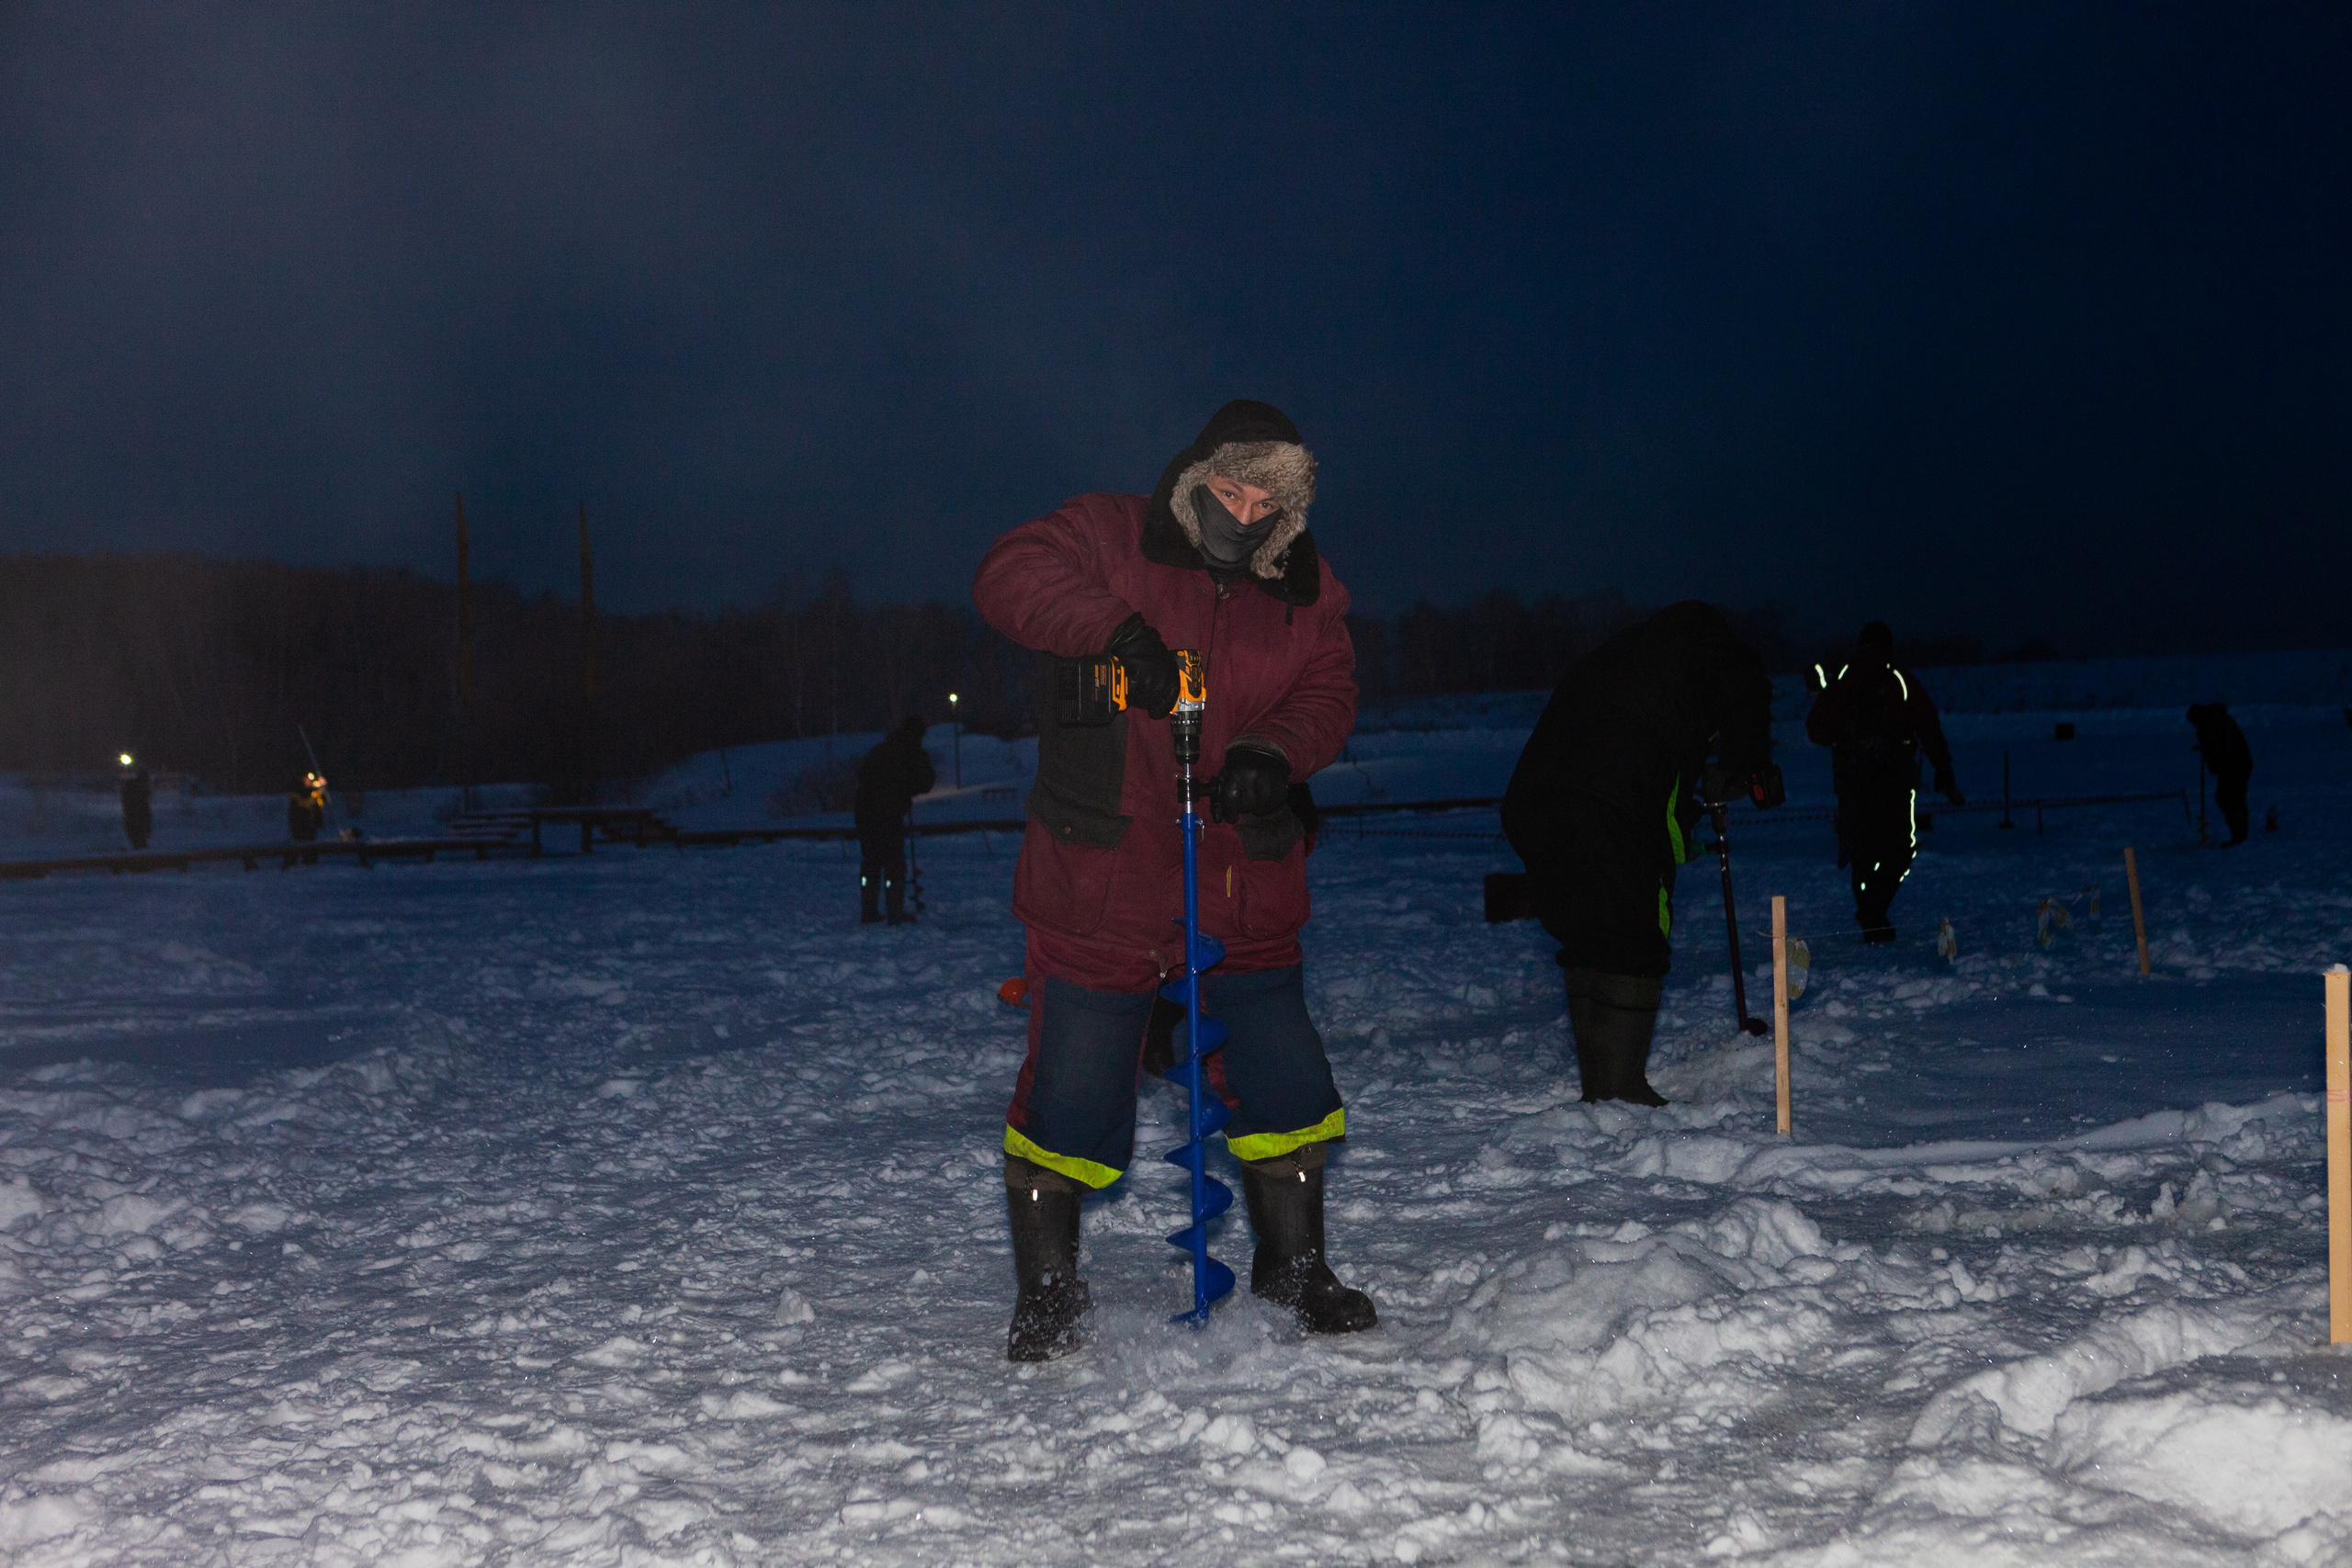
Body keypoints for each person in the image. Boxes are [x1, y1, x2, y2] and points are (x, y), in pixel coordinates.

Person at [972, 398, 1374, 1361]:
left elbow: (1330, 691)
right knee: (1070, 1092)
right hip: (1102, 876)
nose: (1244, 516)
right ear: (1196, 476)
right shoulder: (1107, 534)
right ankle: (1049, 1294)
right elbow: (1006, 573)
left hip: (1241, 879)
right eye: (1230, 492)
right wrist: (1115, 630)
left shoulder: (1306, 588)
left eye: (1266, 505)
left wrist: (1274, 751)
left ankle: (1294, 1266)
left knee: (1286, 1081)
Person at [1500, 602, 1782, 1105]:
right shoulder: (1714, 653)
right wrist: (1745, 766)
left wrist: (1684, 816)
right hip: (1608, 803)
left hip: (1532, 802)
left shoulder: (1625, 656)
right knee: (1636, 931)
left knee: (1587, 932)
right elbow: (1742, 694)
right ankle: (1620, 1090)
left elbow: (1642, 762)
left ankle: (1602, 1085)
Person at [1805, 622, 1962, 942]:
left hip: (1854, 786)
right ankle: (1873, 913)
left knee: (1863, 853)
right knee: (1899, 850)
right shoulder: (1897, 682)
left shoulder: (1843, 683)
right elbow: (1928, 726)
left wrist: (1844, 738)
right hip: (1893, 784)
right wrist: (1943, 770)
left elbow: (1816, 729)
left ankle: (1871, 914)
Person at [854, 716, 936, 924]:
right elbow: (925, 782)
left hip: (865, 810)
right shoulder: (913, 754)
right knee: (894, 862)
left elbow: (862, 775)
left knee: (871, 860)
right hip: (888, 811)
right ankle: (894, 913)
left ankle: (869, 911)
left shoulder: (881, 750)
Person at [2186, 703, 2252, 846]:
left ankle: (2239, 836)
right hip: (2234, 765)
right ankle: (2239, 835)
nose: (2194, 726)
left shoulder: (2217, 723)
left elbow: (2223, 747)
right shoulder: (2213, 723)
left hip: (2235, 766)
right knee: (2230, 799)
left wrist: (2210, 752)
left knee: (2230, 799)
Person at [288, 772, 328, 865]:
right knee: (300, 844)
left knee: (311, 844)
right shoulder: (297, 792)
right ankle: (292, 864)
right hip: (299, 823)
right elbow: (305, 800)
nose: (309, 781)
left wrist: (323, 787)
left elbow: (323, 800)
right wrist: (318, 788)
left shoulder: (312, 791)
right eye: (306, 779)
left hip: (310, 823)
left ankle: (311, 863)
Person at [119, 762, 153, 851]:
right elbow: (143, 811)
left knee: (138, 844)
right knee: (139, 845)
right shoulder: (137, 791)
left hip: (135, 822)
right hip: (136, 822)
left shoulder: (133, 789)